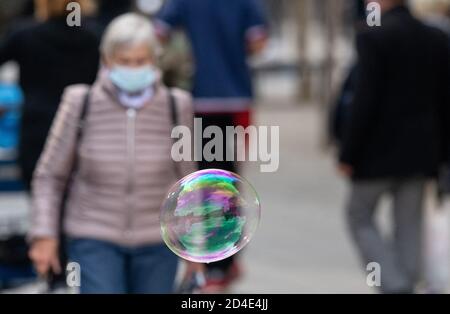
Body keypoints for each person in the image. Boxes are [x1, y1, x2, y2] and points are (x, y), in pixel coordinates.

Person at [28, 13, 198, 294]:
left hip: (158, 239)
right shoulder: (79, 101)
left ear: (154, 60)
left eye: (140, 61)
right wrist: (44, 234)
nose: (133, 69)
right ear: (107, 59)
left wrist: (197, 246)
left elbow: (189, 181)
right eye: (124, 61)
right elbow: (50, 176)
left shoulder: (175, 104)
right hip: (93, 236)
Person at [155, 0, 268, 292]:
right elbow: (258, 43)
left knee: (201, 179)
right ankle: (223, 261)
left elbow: (159, 32)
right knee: (226, 179)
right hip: (235, 96)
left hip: (198, 96)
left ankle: (212, 261)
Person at [338, 0, 450, 293]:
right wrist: (443, 157)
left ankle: (395, 284)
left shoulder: (373, 36)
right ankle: (408, 282)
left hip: (376, 152)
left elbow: (364, 101)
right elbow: (445, 104)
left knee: (358, 214)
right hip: (422, 153)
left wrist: (348, 153)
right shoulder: (436, 38)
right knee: (410, 223)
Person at [0, 0, 100, 191]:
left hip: (36, 131)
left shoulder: (24, 35)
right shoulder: (94, 36)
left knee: (41, 199)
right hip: (82, 129)